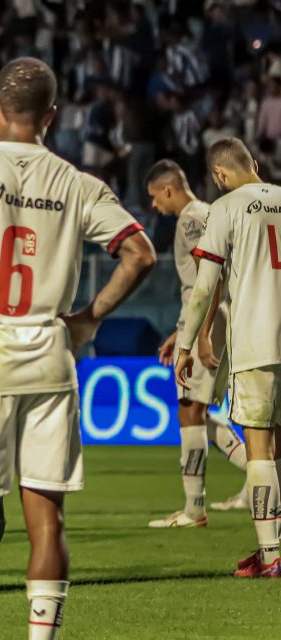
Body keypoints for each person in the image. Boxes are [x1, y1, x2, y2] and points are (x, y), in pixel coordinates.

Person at [0, 57, 156, 639]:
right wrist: (88, 317)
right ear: (52, 115)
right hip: (48, 350)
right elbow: (139, 254)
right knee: (46, 518)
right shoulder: (77, 181)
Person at [176, 137, 281, 578]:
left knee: (260, 447)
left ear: (219, 175)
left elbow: (204, 287)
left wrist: (186, 343)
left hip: (258, 341)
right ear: (253, 163)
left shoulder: (225, 208)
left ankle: (271, 553)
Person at [145, 159, 249, 527]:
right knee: (199, 412)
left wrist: (198, 333)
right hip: (222, 316)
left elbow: (209, 276)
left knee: (189, 410)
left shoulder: (190, 219)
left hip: (209, 319)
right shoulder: (210, 213)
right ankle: (257, 483)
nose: (155, 206)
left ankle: (194, 509)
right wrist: (180, 332)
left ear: (169, 189)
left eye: (156, 198)